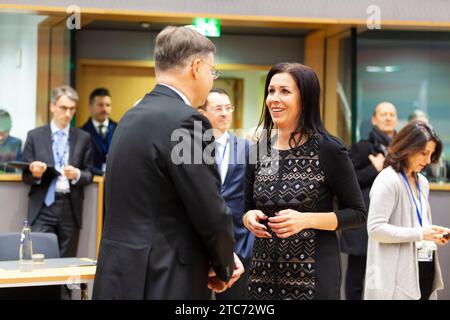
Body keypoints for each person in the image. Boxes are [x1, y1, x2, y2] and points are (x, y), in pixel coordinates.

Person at [93, 26, 244, 300]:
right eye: (213, 71)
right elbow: (208, 207)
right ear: (197, 67)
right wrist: (224, 264)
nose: (212, 79)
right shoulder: (188, 121)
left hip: (119, 270)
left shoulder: (130, 116)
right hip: (164, 275)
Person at [243, 62, 366, 300]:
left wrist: (306, 220)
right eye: (271, 91)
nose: (274, 99)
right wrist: (248, 218)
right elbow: (248, 207)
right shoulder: (257, 151)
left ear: (305, 99)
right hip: (262, 278)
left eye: (285, 91)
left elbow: (357, 214)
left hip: (313, 279)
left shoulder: (328, 149)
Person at [365, 121, 449, 300]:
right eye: (424, 153)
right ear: (407, 148)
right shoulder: (388, 180)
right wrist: (420, 233)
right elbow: (375, 229)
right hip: (396, 276)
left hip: (423, 267)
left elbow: (416, 225)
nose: (427, 161)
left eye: (431, 154)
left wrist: (433, 233)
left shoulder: (422, 182)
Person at [22, 85, 93, 258]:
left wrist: (76, 174)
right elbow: (25, 175)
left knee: (66, 262)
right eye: (63, 108)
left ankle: (63, 288)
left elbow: (89, 173)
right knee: (38, 259)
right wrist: (35, 174)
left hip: (70, 205)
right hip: (43, 206)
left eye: (72, 109)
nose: (68, 114)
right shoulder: (35, 136)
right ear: (52, 106)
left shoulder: (83, 138)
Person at [198, 88, 253, 300]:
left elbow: (255, 198)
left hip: (238, 245)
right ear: (202, 113)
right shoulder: (190, 148)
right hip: (200, 247)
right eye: (218, 108)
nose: (225, 113)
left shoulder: (247, 148)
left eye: (228, 108)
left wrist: (247, 247)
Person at [340, 102, 398, 300]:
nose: (388, 117)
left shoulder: (400, 150)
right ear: (374, 119)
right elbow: (347, 181)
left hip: (391, 219)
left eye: (392, 114)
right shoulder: (362, 147)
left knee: (383, 276)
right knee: (357, 276)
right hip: (363, 222)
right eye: (384, 114)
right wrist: (374, 169)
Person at [81, 88, 117, 176]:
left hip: (115, 179)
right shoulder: (81, 132)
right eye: (100, 105)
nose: (104, 109)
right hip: (92, 181)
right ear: (90, 106)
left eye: (107, 105)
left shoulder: (119, 129)